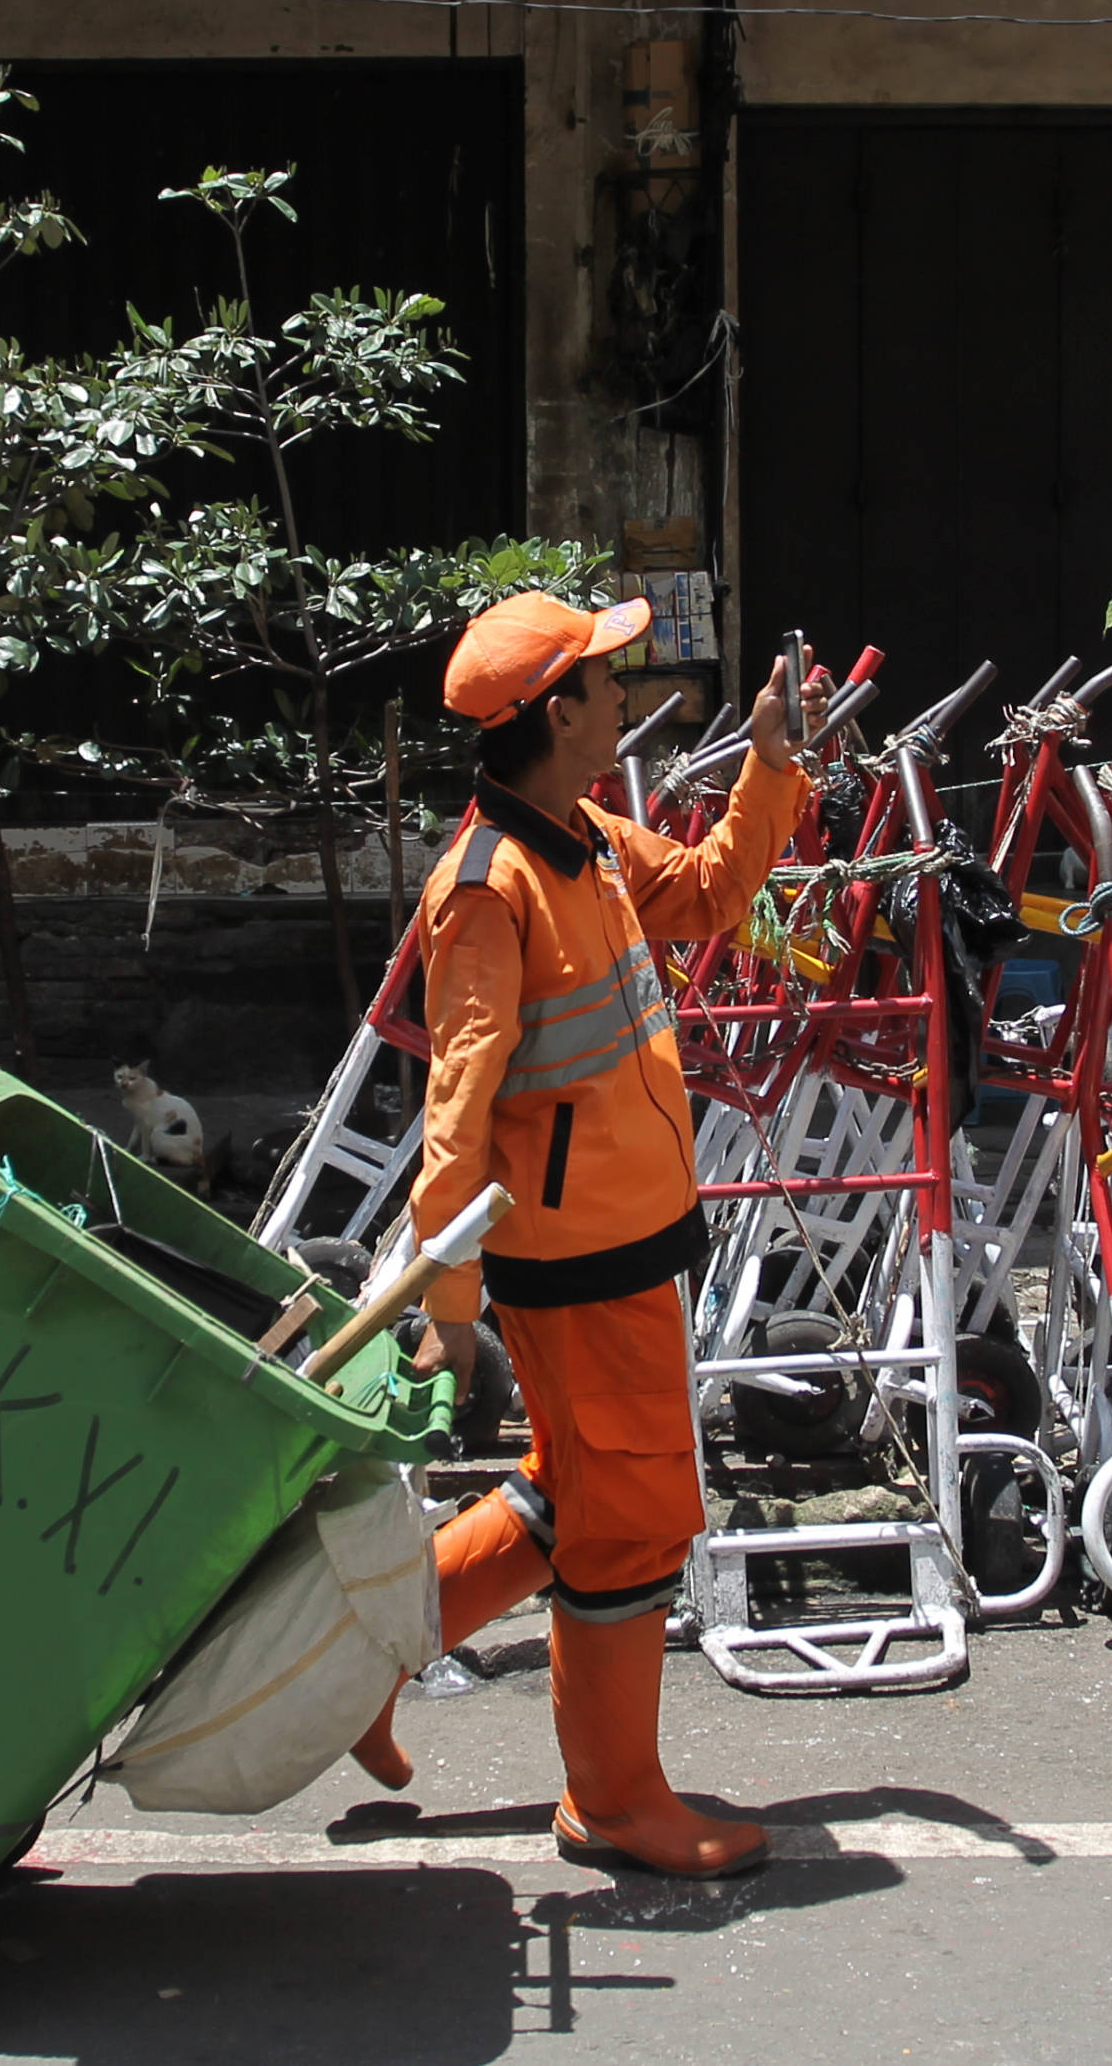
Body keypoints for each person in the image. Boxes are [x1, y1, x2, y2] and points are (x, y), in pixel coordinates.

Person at [345, 592, 809, 1879]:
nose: (623, 697)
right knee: (631, 1521)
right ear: (556, 715)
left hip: (627, 1241)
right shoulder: (486, 888)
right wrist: (448, 1305)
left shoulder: (587, 837)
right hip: (574, 1265)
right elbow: (457, 1110)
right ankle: (610, 1800)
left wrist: (770, 766)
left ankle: (362, 1663)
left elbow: (711, 894)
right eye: (606, 683)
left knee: (576, 1491)